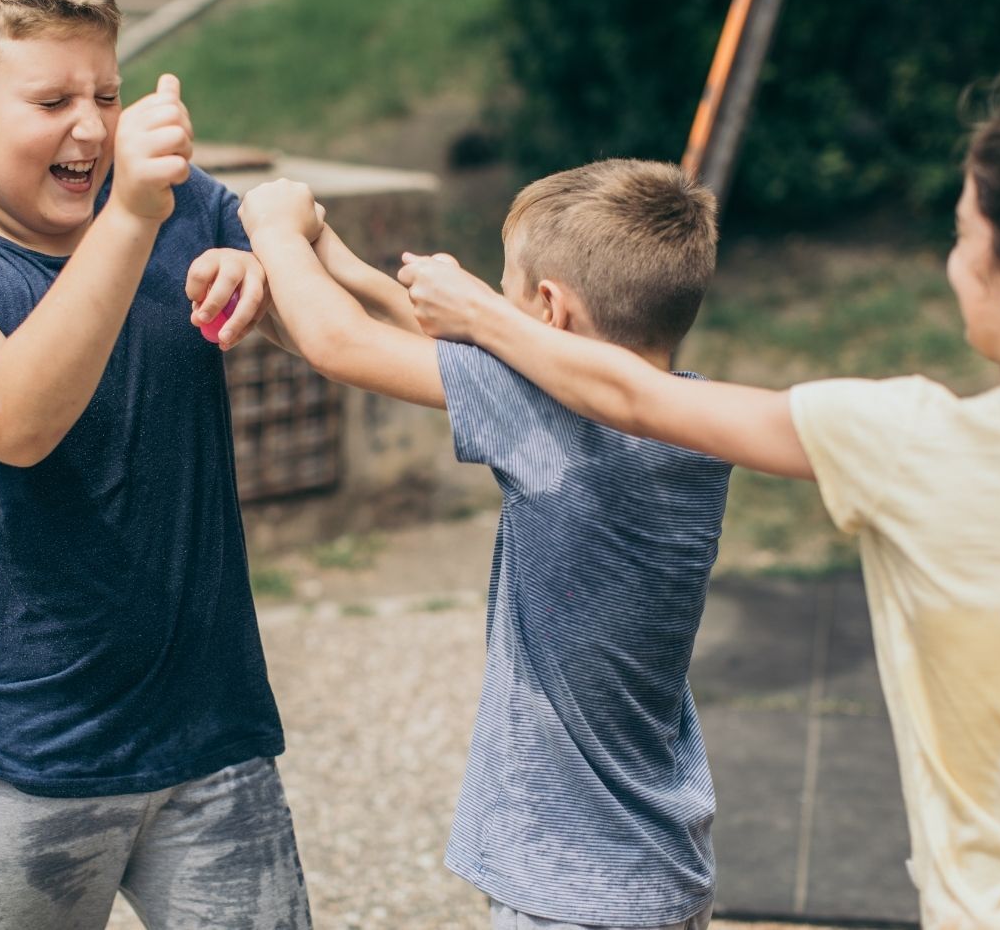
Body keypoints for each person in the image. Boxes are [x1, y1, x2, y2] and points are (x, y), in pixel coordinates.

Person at [398, 79, 1000, 927]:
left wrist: (482, 311)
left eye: (961, 238)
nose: (950, 261)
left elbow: (634, 400)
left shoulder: (912, 445)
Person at [0, 0, 309, 927]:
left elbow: (313, 270)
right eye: (50, 101)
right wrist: (130, 221)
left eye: (106, 96)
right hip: (29, 761)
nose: (91, 127)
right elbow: (13, 421)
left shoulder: (185, 208)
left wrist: (274, 246)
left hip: (216, 742)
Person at [236, 159, 730, 930]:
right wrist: (333, 256)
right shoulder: (693, 422)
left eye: (502, 290)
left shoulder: (555, 427)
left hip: (568, 889)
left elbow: (338, 346)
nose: (489, 305)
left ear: (549, 311)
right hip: (655, 867)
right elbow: (482, 362)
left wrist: (271, 227)